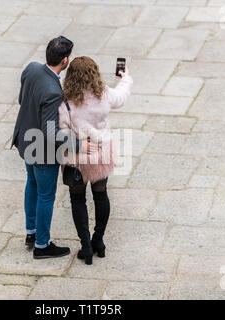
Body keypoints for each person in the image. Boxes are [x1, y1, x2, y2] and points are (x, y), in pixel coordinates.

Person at [11, 36, 98, 259]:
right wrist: (79, 145)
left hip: (24, 140)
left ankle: (31, 232)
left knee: (31, 184)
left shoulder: (31, 69)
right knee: (46, 195)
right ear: (65, 60)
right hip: (42, 151)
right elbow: (51, 133)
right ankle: (42, 245)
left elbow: (23, 99)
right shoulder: (53, 92)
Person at [58, 56, 133, 265]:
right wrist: (125, 76)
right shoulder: (105, 94)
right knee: (101, 195)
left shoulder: (65, 102)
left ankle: (86, 246)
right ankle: (98, 240)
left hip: (77, 157)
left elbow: (62, 131)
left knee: (77, 199)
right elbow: (122, 96)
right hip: (101, 154)